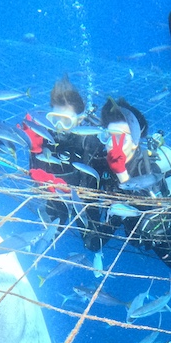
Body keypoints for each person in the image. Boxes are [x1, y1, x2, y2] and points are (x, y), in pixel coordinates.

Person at [85, 97, 171, 273]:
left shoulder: (149, 165)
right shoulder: (101, 160)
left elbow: (152, 204)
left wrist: (122, 174)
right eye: (108, 137)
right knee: (93, 244)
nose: (113, 145)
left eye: (120, 138)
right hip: (120, 211)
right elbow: (91, 190)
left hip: (156, 219)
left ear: (136, 142)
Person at [20, 73, 106, 227]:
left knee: (93, 243)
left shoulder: (89, 141)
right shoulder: (44, 135)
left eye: (66, 121)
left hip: (84, 199)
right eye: (55, 119)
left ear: (79, 120)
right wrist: (33, 149)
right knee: (52, 231)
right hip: (55, 193)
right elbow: (35, 172)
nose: (59, 127)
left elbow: (96, 186)